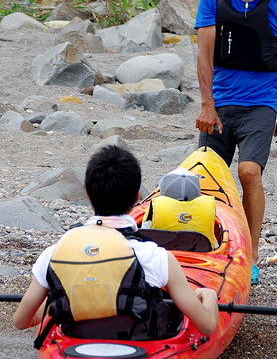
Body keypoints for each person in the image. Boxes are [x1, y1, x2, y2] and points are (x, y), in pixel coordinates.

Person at [13, 145, 219, 340]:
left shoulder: (54, 254)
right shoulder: (157, 256)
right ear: (138, 196)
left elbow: (21, 321)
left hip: (75, 346)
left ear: (87, 194)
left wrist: (54, 305)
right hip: (141, 346)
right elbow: (207, 326)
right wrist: (207, 295)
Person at [194, 0, 277, 285]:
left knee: (248, 173)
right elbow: (205, 54)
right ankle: (207, 249)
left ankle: (251, 256)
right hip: (220, 103)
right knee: (206, 179)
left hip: (260, 103)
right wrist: (207, 105)